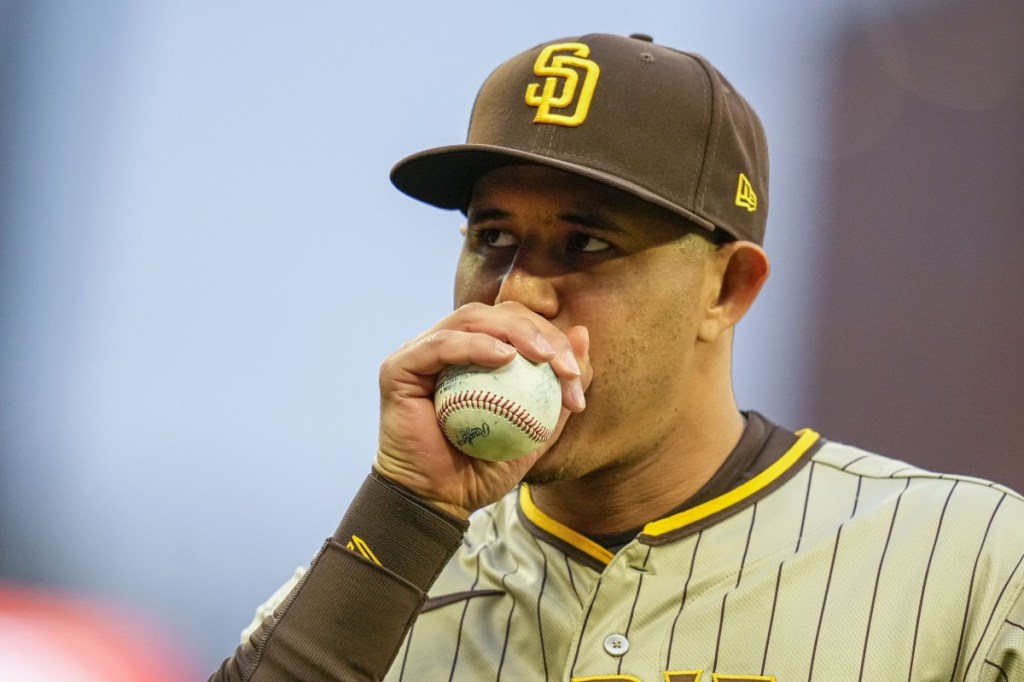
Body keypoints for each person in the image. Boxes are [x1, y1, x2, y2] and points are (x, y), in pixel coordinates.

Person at [212, 33, 1024, 681]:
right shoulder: (380, 583)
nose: (516, 293)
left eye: (586, 243)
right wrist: (405, 508)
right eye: (492, 236)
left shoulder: (970, 562)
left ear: (728, 288)